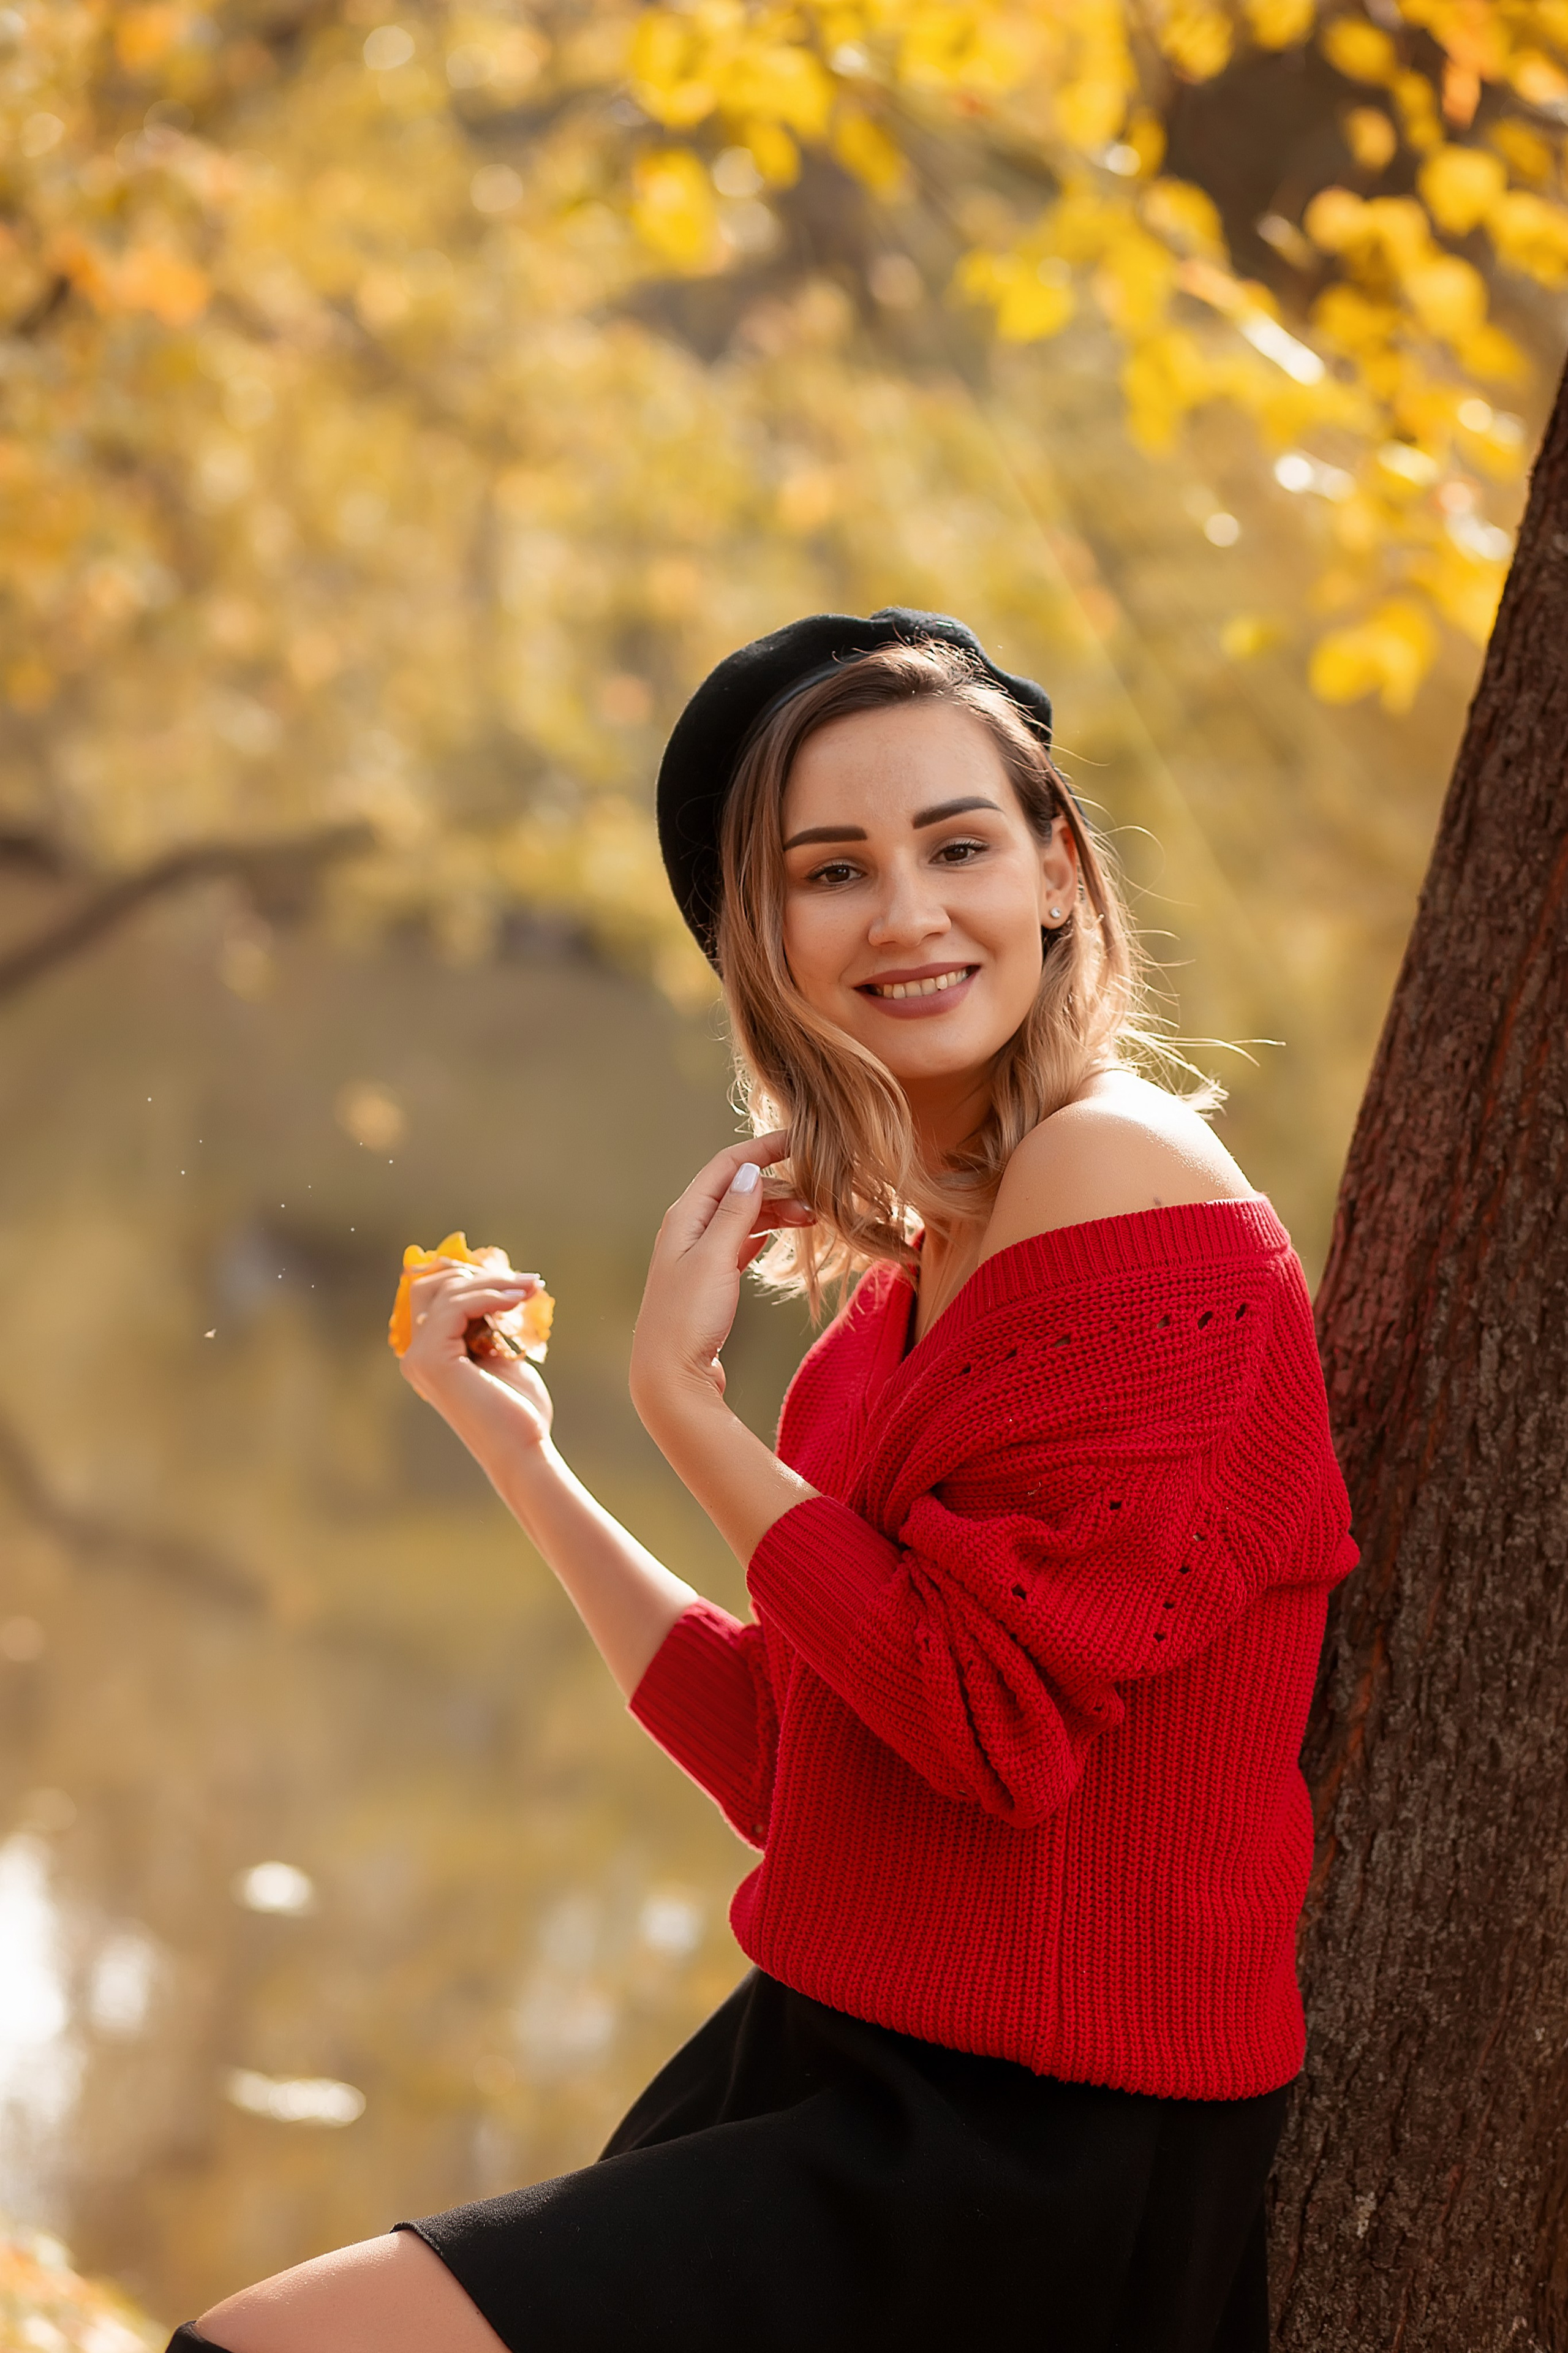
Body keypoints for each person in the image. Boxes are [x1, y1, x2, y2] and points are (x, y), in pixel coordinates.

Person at [170, 610, 1356, 2353]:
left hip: (1028, 2149)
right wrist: (536, 1458)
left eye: (957, 844)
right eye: (832, 870)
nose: (906, 912)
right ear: (765, 937)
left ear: (1055, 870)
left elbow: (986, 1724)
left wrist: (688, 1409)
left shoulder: (1123, 1177)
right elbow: (808, 1764)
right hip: (832, 2058)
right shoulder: (900, 1297)